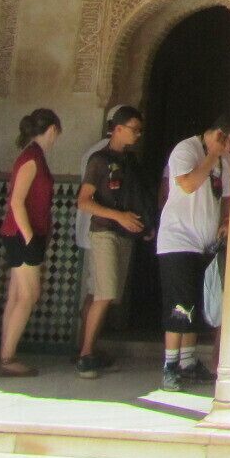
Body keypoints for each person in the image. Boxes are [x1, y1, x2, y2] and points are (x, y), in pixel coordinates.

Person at [156, 113, 230, 392]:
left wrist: (225, 222)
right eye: (229, 143)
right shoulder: (186, 150)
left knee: (195, 302)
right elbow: (188, 184)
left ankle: (188, 362)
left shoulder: (225, 162)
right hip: (178, 240)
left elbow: (226, 199)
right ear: (218, 136)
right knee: (180, 305)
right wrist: (212, 156)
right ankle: (170, 365)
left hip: (204, 244)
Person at [75, 105, 152, 378]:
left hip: (124, 234)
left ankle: (91, 349)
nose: (137, 135)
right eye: (133, 129)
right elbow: (84, 201)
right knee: (104, 293)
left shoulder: (129, 162)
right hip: (105, 231)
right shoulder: (99, 160)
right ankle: (85, 355)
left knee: (108, 294)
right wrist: (117, 216)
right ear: (117, 128)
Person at [0, 108, 61, 377]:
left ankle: (5, 354)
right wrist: (30, 237)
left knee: (17, 295)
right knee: (28, 295)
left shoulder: (35, 157)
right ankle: (7, 358)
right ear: (52, 130)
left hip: (21, 235)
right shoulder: (31, 158)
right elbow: (17, 201)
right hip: (22, 236)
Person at [71, 103, 124, 366]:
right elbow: (87, 197)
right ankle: (85, 349)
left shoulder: (102, 152)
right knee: (97, 291)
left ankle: (86, 346)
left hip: (96, 229)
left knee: (97, 289)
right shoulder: (101, 155)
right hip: (97, 229)